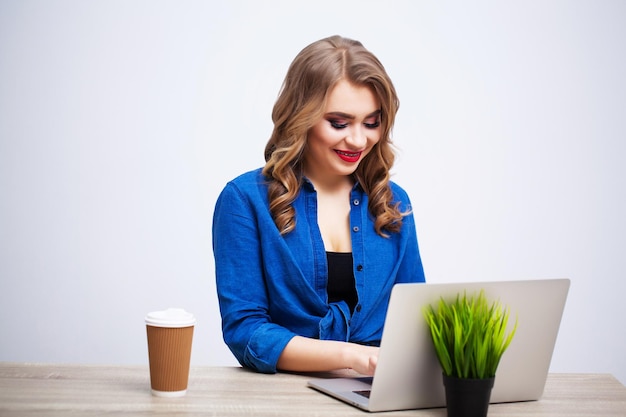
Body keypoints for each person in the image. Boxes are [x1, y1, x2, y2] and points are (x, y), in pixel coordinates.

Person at [212, 35, 425, 375]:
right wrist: (353, 357)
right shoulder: (245, 199)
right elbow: (245, 331)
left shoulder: (394, 202)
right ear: (302, 117)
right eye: (339, 123)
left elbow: (416, 319)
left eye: (372, 123)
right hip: (285, 398)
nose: (358, 140)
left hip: (379, 392)